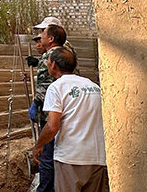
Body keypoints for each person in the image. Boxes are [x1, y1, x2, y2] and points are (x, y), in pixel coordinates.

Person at [33, 47, 108, 192]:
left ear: (53, 64)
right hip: (97, 157)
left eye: (48, 62)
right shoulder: (93, 86)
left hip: (70, 158)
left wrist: (39, 145)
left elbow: (52, 126)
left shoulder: (56, 88)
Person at [31, 23, 79, 192]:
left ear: (50, 39)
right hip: (69, 114)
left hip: (51, 113)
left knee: (47, 155)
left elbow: (45, 86)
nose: (40, 37)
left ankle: (45, 189)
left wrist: (36, 103)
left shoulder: (49, 57)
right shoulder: (68, 54)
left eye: (43, 34)